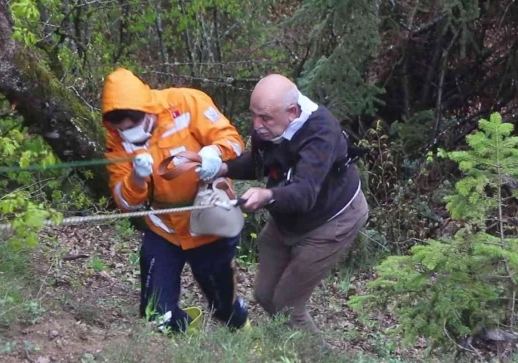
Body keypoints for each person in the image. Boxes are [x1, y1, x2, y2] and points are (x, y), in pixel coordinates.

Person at [215, 74, 369, 334]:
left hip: (333, 219)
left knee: (287, 304)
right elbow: (259, 162)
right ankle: (288, 348)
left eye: (264, 118)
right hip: (289, 217)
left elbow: (305, 192)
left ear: (292, 111)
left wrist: (267, 196)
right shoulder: (271, 124)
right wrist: (223, 168)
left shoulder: (321, 132)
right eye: (253, 115)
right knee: (264, 294)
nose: (257, 125)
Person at [100, 67, 249, 333]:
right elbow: (125, 202)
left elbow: (234, 142)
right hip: (164, 229)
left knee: (222, 305)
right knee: (155, 312)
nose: (129, 133)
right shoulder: (117, 142)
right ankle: (179, 334)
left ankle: (238, 321)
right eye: (122, 129)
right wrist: (136, 178)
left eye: (133, 126)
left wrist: (214, 154)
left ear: (147, 111)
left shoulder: (187, 103)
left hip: (209, 223)